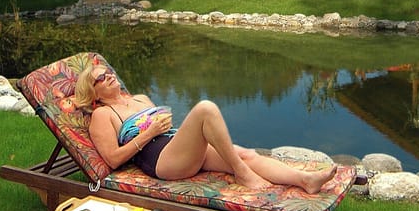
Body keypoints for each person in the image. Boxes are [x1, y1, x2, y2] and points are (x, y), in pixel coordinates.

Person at [74, 62, 336, 194]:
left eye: (109, 72)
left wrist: (164, 126)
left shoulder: (140, 98)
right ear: (92, 92)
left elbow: (164, 130)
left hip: (176, 147)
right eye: (101, 77)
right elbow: (112, 159)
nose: (110, 76)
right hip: (162, 162)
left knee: (246, 154)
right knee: (205, 109)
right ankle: (242, 174)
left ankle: (305, 180)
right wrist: (149, 133)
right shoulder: (102, 114)